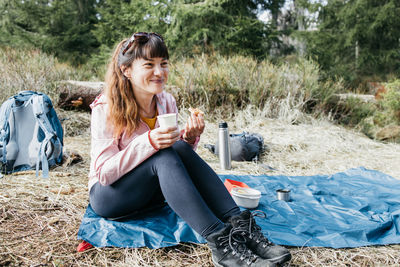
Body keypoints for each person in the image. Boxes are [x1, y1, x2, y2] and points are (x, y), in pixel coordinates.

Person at [88, 31, 291, 267]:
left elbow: (177, 163)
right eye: (149, 65)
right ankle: (221, 244)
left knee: (177, 148)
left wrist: (190, 138)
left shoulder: (166, 101)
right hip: (111, 197)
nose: (159, 72)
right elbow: (103, 173)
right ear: (127, 70)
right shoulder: (106, 108)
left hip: (152, 194)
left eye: (163, 64)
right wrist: (149, 142)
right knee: (162, 153)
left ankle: (242, 229)